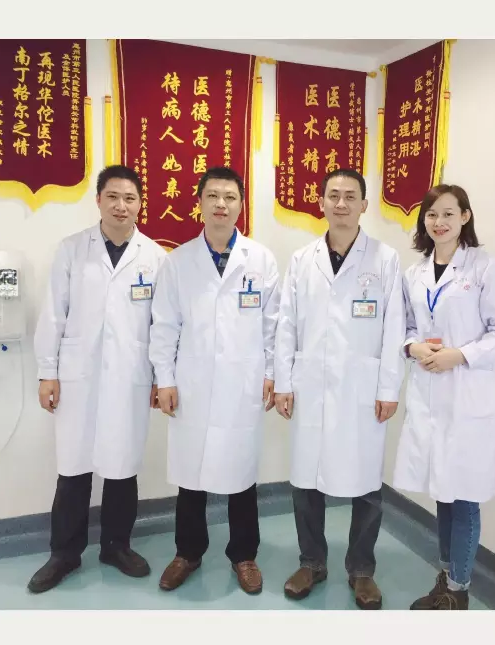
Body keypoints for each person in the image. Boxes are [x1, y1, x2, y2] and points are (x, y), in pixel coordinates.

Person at [29, 165, 166, 593]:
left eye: (130, 198)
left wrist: (161, 377)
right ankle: (64, 554)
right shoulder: (72, 250)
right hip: (78, 377)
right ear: (99, 201)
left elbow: (162, 325)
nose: (121, 206)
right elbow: (53, 314)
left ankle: (116, 546)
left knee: (122, 467)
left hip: (130, 376)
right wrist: (47, 372)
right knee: (74, 468)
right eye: (113, 197)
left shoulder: (155, 257)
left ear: (140, 203)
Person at [274, 168, 406, 610]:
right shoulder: (302, 259)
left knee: (366, 482)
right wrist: (284, 382)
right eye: (334, 195)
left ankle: (362, 569)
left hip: (361, 388)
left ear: (364, 205)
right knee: (306, 479)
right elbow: (286, 325)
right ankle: (311, 562)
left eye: (351, 196)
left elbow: (394, 328)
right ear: (321, 203)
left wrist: (389, 387)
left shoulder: (385, 259)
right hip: (310, 384)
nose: (342, 203)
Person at [150, 166, 280, 595]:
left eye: (230, 197)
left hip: (243, 382)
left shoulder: (261, 260)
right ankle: (187, 552)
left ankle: (244, 555)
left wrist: (271, 373)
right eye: (213, 196)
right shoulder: (179, 261)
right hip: (192, 382)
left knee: (241, 473)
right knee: (192, 473)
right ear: (200, 203)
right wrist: (165, 379)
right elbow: (164, 325)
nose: (221, 204)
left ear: (242, 205)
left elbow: (273, 325)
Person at [394, 184, 495, 610]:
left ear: (465, 217)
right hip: (431, 398)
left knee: (464, 498)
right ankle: (447, 575)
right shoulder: (415, 273)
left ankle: (458, 590)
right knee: (443, 494)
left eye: (449, 213)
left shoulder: (484, 269)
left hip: (468, 399)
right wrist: (413, 347)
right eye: (432, 214)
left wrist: (460, 355)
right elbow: (408, 326)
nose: (439, 222)